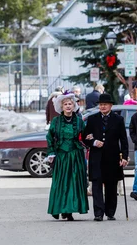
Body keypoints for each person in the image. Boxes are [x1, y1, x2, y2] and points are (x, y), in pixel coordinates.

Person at [83, 93, 129, 221]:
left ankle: (110, 211)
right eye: (101, 105)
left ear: (110, 106)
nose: (102, 107)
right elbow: (85, 137)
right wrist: (93, 142)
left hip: (112, 157)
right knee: (97, 185)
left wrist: (124, 157)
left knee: (111, 185)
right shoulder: (92, 119)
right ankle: (98, 213)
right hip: (96, 158)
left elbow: (123, 140)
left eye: (105, 105)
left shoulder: (118, 119)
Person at [46, 93, 88, 221]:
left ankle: (69, 211)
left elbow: (85, 136)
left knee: (73, 183)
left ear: (74, 106)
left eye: (70, 104)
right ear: (61, 106)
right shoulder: (56, 121)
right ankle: (58, 208)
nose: (68, 106)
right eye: (65, 104)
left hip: (75, 156)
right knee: (60, 183)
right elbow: (49, 137)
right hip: (62, 156)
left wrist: (88, 139)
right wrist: (51, 152)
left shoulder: (79, 121)